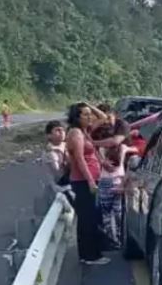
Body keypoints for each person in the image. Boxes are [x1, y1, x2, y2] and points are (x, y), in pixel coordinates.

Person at [66, 103, 110, 265]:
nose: (90, 117)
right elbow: (80, 159)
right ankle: (90, 256)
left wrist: (88, 105)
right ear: (77, 117)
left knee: (90, 217)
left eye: (89, 114)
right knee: (88, 219)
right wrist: (90, 181)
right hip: (83, 181)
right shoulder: (76, 133)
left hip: (88, 180)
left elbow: (103, 117)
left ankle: (88, 254)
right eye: (85, 114)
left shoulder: (85, 131)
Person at [98, 143, 136, 249]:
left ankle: (114, 240)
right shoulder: (105, 148)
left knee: (112, 213)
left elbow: (136, 149)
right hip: (115, 181)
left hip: (113, 182)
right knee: (114, 213)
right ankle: (115, 239)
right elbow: (137, 149)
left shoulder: (109, 148)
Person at [42, 120, 70, 189]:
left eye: (63, 130)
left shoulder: (66, 144)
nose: (61, 132)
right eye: (57, 130)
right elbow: (57, 171)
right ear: (49, 135)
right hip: (60, 184)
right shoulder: (49, 151)